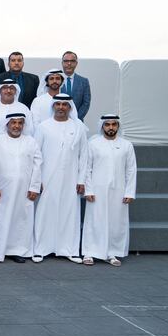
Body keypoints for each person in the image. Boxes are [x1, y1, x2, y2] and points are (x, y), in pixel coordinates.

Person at [33, 94, 88, 264]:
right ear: (53, 106)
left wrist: (81, 180)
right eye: (58, 104)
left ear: (70, 107)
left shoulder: (79, 127)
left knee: (69, 213)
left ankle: (69, 250)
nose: (61, 107)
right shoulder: (44, 127)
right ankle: (40, 249)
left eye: (65, 104)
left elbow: (83, 156)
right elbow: (36, 155)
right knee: (44, 213)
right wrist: (37, 179)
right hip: (47, 178)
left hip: (71, 179)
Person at [0, 113, 42, 263]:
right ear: (7, 124)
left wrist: (34, 187)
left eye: (19, 123)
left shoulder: (31, 142)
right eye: (13, 123)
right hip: (2, 189)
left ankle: (18, 250)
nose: (16, 126)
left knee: (21, 219)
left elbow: (38, 166)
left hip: (24, 190)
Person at [82, 114, 137, 266]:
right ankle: (89, 252)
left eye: (114, 124)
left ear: (118, 126)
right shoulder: (93, 144)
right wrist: (89, 190)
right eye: (107, 124)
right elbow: (87, 168)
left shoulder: (127, 145)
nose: (111, 127)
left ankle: (112, 253)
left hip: (119, 190)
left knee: (116, 222)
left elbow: (131, 170)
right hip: (97, 189)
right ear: (102, 126)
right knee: (94, 220)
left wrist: (129, 192)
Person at [62, 51, 92, 121]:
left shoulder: (84, 81)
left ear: (76, 63)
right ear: (62, 63)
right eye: (66, 61)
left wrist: (76, 118)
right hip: (58, 121)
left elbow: (86, 103)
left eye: (72, 61)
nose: (69, 63)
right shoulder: (55, 81)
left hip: (77, 122)